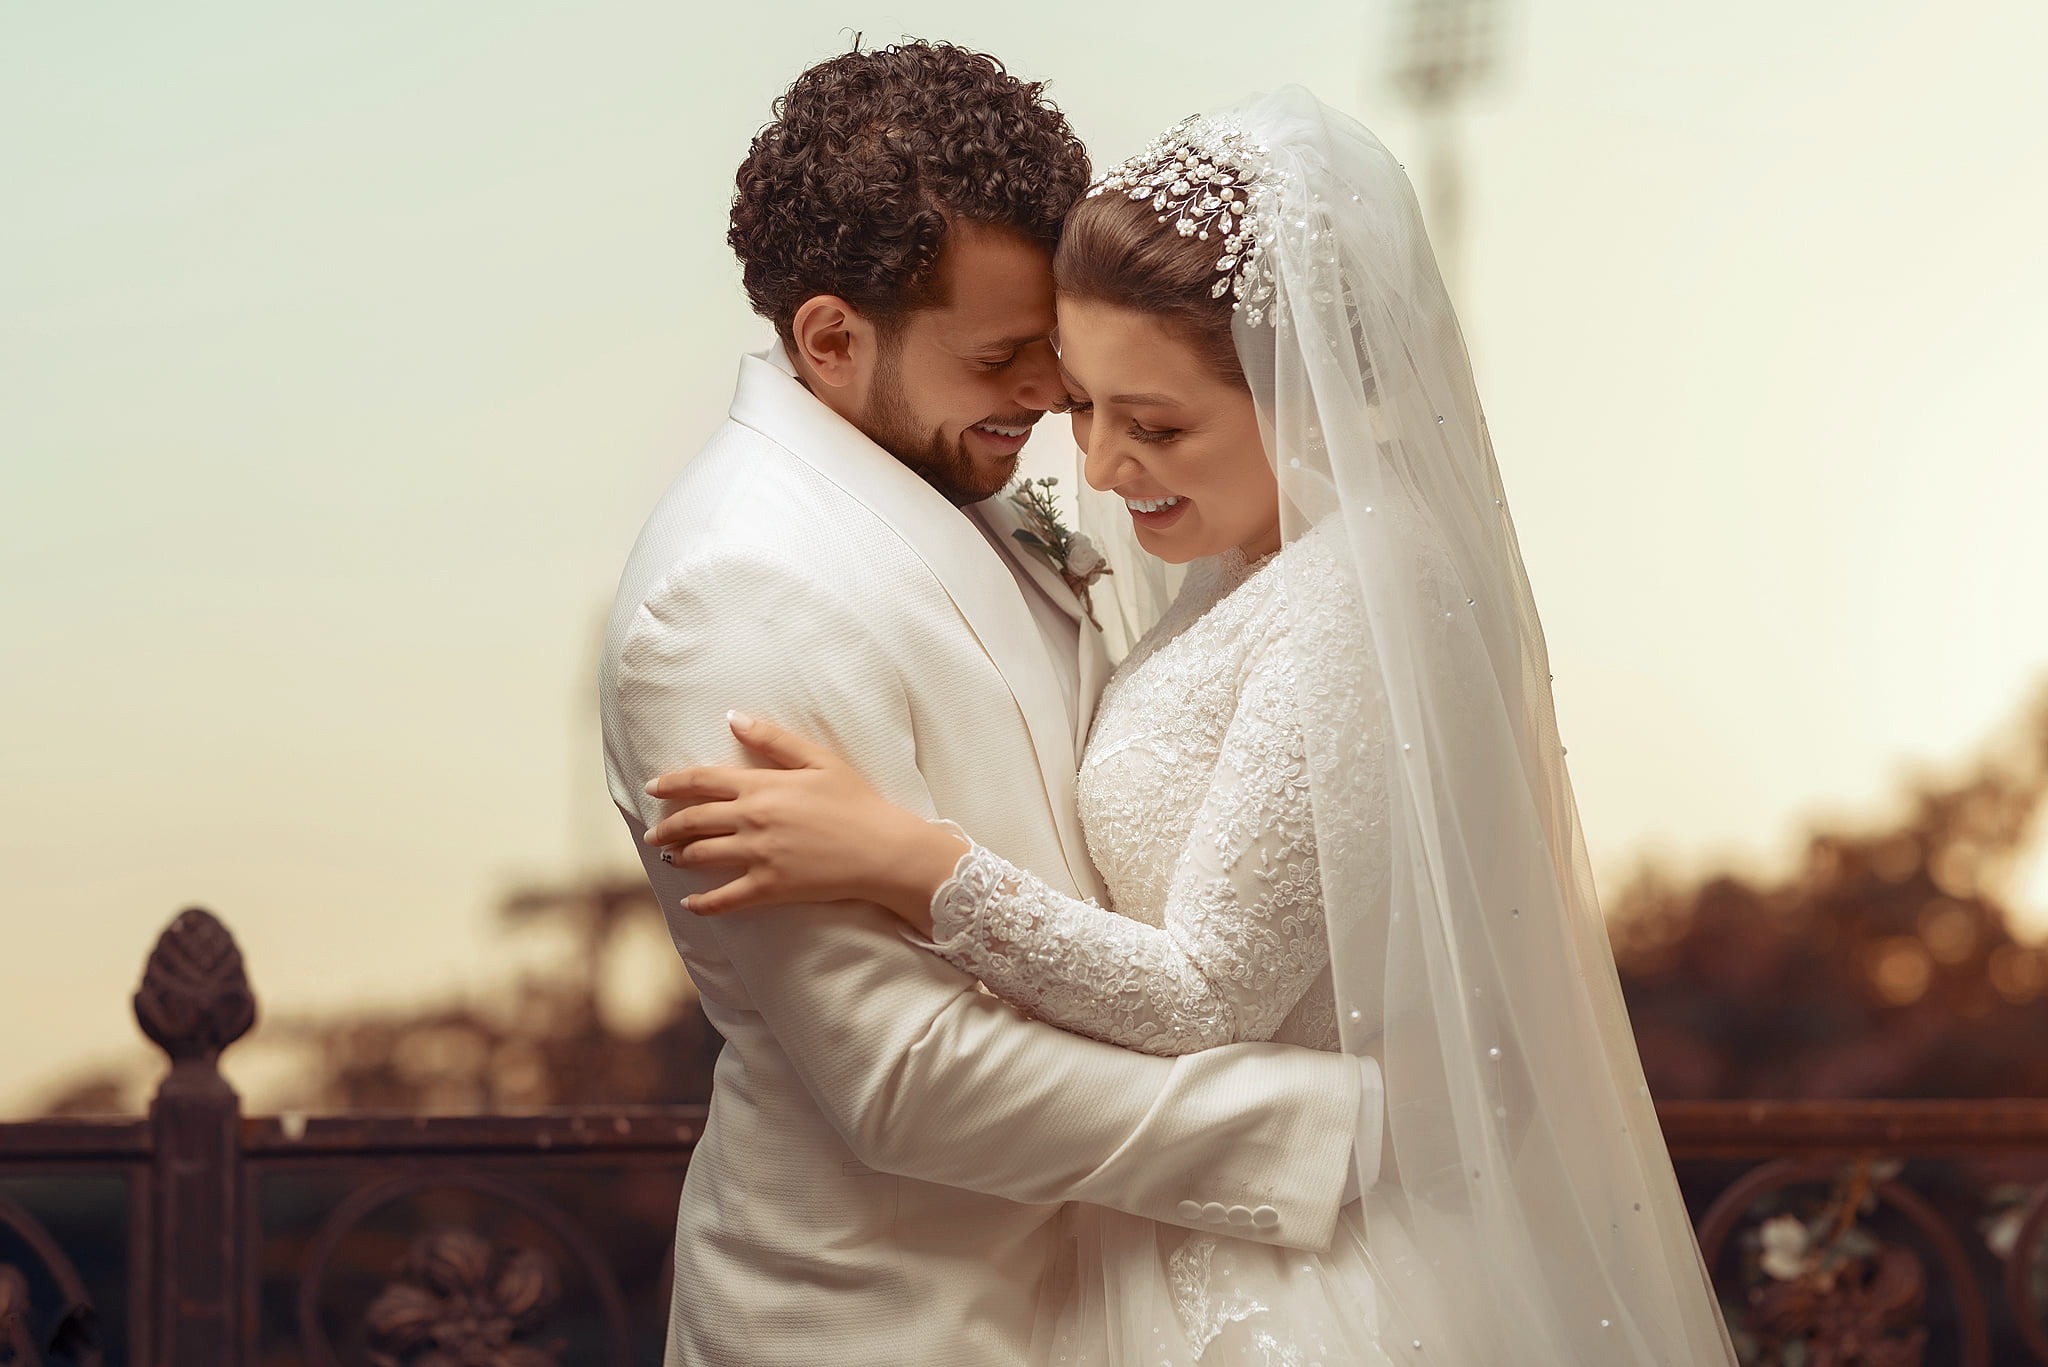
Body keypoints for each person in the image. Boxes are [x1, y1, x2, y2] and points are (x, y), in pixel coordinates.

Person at [647, 89, 1740, 1364]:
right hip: (1130, 1243)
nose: (1099, 469)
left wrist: (912, 861)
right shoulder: (1230, 566)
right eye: (1081, 407)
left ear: (1314, 395)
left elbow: (1209, 984)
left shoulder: (1360, 586)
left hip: (1285, 1273)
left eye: (1153, 424)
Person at [600, 48, 1385, 1367]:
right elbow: (905, 1072)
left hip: (1110, 1295)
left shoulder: (978, 484)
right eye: (1004, 355)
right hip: (889, 1322)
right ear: (832, 337)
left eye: (1056, 351)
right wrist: (1328, 1125)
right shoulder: (729, 594)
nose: (1051, 398)